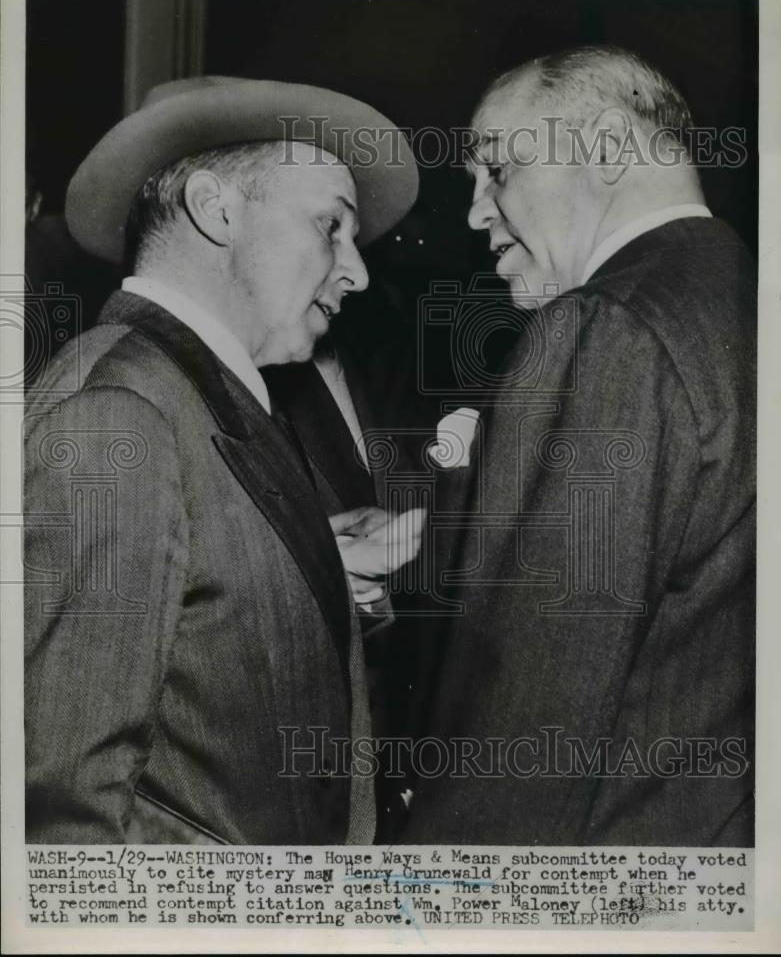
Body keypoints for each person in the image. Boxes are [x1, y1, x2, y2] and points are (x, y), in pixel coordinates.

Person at [24, 75, 420, 845]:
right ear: (216, 209)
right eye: (329, 226)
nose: (357, 271)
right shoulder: (117, 415)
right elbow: (62, 816)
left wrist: (328, 578)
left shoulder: (206, 394)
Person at [398, 45, 755, 845]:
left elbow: (527, 719)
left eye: (496, 169)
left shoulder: (607, 328)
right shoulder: (735, 293)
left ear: (603, 147)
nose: (475, 212)